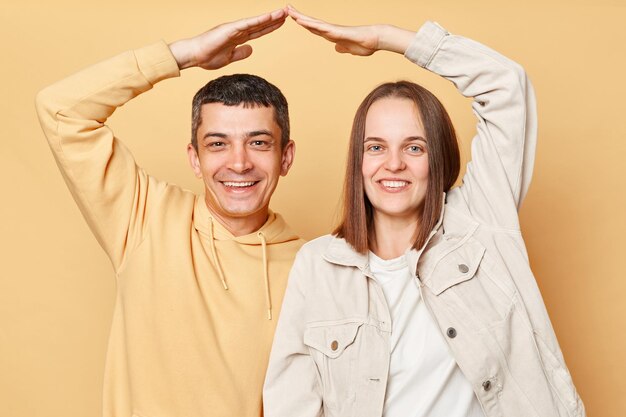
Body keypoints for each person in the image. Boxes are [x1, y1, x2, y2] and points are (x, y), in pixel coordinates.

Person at [264, 7, 585, 417]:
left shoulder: (479, 222)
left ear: (438, 159)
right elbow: (292, 402)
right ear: (358, 161)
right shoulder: (319, 265)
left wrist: (384, 38)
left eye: (414, 147)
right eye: (376, 147)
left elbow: (506, 84)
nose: (393, 164)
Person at [35, 8, 304, 417]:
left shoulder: (315, 266)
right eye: (217, 144)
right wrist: (187, 54)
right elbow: (61, 109)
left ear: (285, 157)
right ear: (194, 159)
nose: (238, 163)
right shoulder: (143, 217)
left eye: (259, 143)